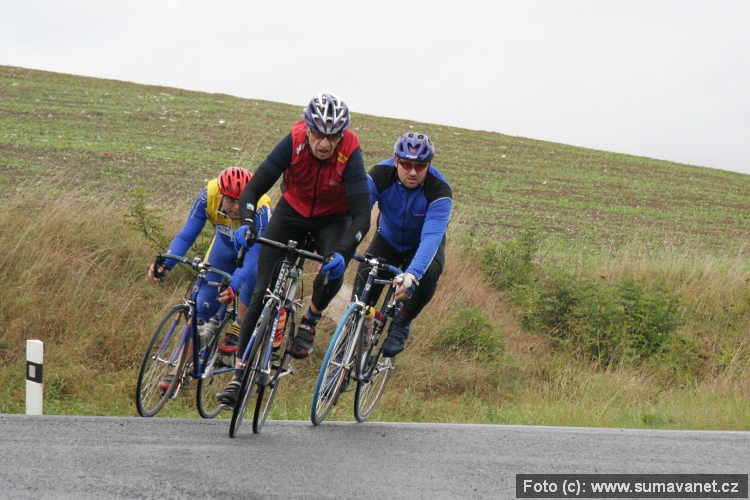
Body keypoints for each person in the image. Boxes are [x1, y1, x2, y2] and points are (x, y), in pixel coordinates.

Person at [216, 92, 371, 407]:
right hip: (292, 212)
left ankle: (311, 319)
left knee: (331, 270)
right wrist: (247, 223)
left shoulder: (350, 151)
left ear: (341, 135)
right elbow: (254, 188)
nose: (325, 143)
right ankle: (239, 375)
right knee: (261, 291)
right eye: (318, 134)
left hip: (333, 219)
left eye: (332, 137)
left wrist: (343, 252)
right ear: (308, 129)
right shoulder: (294, 140)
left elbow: (362, 216)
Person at [149, 167, 273, 373]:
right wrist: (167, 262)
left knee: (252, 283)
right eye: (230, 200)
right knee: (202, 308)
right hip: (223, 249)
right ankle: (179, 373)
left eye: (241, 201)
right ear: (221, 194)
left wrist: (234, 285)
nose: (236, 207)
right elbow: (187, 234)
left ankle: (239, 329)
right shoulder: (209, 195)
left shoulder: (260, 207)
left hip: (253, 254)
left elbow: (253, 255)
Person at [352, 132, 452, 358]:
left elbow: (431, 237)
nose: (413, 172)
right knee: (363, 290)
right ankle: (349, 347)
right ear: (396, 161)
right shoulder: (380, 174)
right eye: (406, 164)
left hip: (421, 244)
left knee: (430, 274)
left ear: (429, 165)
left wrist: (413, 275)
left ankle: (401, 323)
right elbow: (358, 214)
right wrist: (344, 245)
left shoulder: (440, 190)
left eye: (420, 166)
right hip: (388, 239)